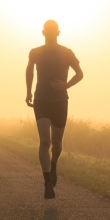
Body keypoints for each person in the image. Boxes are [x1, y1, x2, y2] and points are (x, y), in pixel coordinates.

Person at [25, 20, 84, 199]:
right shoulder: (35, 52)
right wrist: (28, 92)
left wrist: (66, 85)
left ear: (58, 33)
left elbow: (80, 74)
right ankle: (47, 183)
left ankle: (54, 164)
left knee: (57, 143)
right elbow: (29, 71)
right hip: (41, 100)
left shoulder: (67, 52)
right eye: (47, 31)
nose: (50, 33)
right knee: (45, 142)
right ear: (43, 32)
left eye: (53, 31)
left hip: (60, 101)